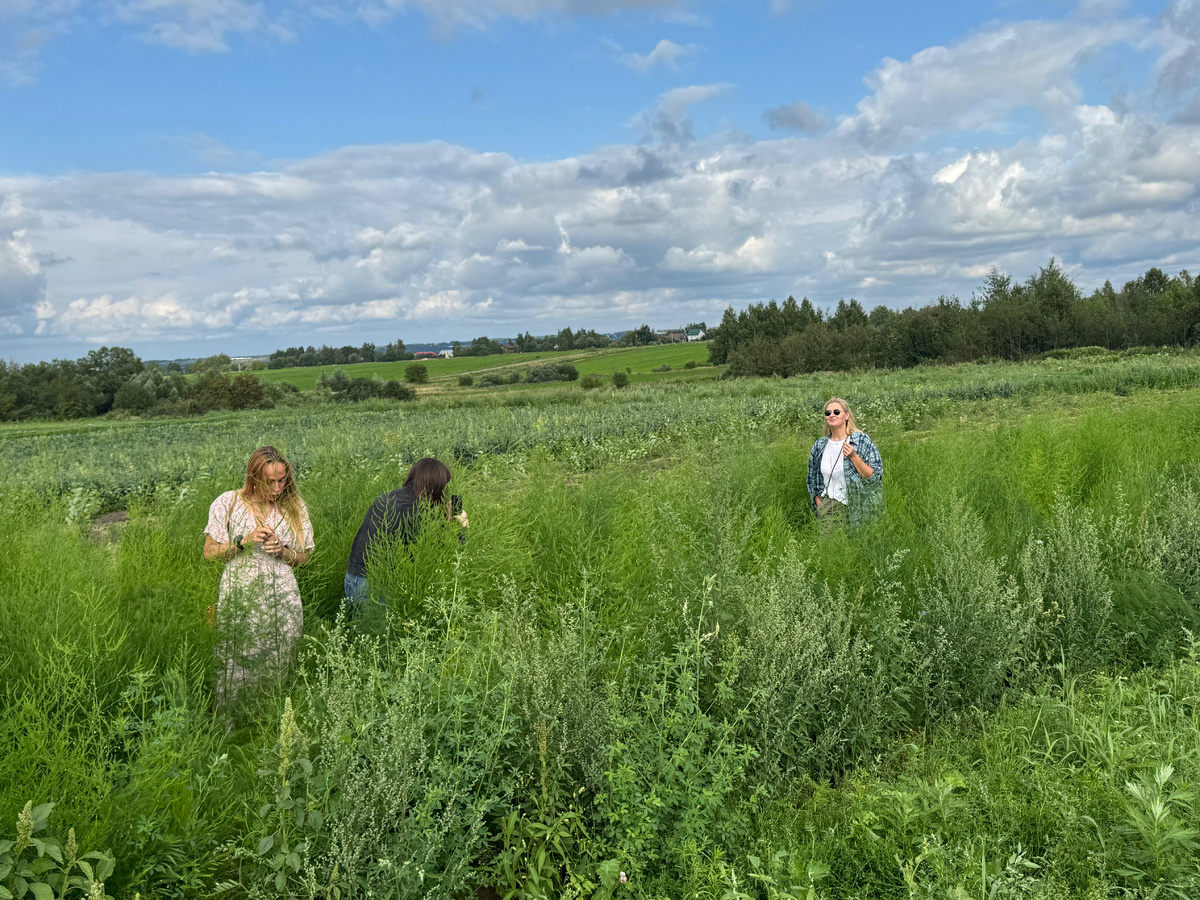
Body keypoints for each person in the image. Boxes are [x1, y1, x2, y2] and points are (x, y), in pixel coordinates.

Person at [203, 446, 313, 707]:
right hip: (240, 596)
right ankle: (233, 719)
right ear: (253, 478)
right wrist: (243, 542)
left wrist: (283, 552)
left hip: (282, 598)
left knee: (280, 658)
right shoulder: (228, 503)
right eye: (270, 481)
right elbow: (209, 553)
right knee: (236, 656)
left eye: (282, 479)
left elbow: (304, 556)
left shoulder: (294, 507)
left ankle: (272, 716)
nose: (277, 488)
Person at [345, 457, 469, 609]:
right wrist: (461, 527)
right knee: (384, 632)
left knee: (357, 631)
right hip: (376, 585)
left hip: (353, 577)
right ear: (437, 487)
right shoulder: (420, 513)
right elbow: (443, 555)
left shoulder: (387, 497)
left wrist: (441, 520)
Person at [806, 397, 883, 531]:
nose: (831, 415)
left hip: (860, 506)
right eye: (828, 413)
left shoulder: (862, 441)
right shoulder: (819, 446)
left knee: (859, 547)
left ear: (847, 415)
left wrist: (853, 457)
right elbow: (812, 479)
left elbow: (875, 477)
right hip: (830, 507)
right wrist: (820, 503)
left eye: (836, 412)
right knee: (830, 549)